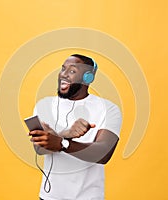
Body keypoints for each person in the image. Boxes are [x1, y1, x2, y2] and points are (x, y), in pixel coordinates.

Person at [28, 54, 122, 200]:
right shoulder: (43, 106)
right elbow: (39, 149)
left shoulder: (108, 109)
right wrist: (65, 134)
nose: (63, 75)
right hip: (49, 197)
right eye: (63, 69)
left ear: (87, 78)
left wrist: (61, 143)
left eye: (72, 71)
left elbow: (103, 154)